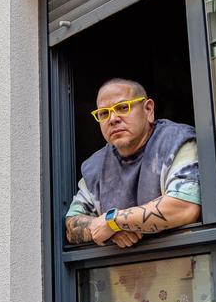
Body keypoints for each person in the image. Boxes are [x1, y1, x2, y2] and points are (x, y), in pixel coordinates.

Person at [65, 78, 201, 247]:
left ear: (148, 109)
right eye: (104, 113)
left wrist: (113, 221)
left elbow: (185, 208)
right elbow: (71, 225)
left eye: (123, 107)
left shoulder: (175, 141)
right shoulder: (95, 167)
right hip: (127, 272)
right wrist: (108, 227)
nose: (113, 119)